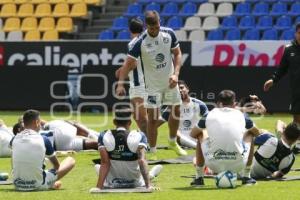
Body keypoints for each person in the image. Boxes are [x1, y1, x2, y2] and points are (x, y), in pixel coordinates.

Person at [116, 10, 186, 160]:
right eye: (152, 28)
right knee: (152, 120)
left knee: (177, 110)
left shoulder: (169, 34)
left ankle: (173, 141)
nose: (155, 30)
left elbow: (178, 53)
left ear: (160, 22)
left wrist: (176, 74)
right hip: (152, 87)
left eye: (157, 26)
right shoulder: (139, 42)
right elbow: (128, 65)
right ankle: (152, 151)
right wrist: (120, 84)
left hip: (170, 82)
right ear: (147, 26)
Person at [190, 90, 260, 186]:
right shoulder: (242, 115)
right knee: (250, 133)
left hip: (213, 164)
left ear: (219, 103)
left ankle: (199, 178)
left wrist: (210, 138)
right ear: (234, 103)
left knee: (200, 133)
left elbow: (193, 134)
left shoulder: (208, 114)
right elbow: (257, 132)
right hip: (238, 164)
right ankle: (247, 177)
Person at [91, 106, 162, 191]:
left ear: (114, 122)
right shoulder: (140, 135)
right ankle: (150, 176)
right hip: (136, 183)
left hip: (113, 183)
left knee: (97, 166)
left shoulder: (103, 135)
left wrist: (98, 187)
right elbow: (142, 161)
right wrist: (148, 186)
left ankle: (150, 176)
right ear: (130, 122)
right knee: (144, 173)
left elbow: (105, 163)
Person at [10, 110, 75, 191]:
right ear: (37, 122)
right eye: (40, 122)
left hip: (18, 185)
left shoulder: (13, 139)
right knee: (70, 160)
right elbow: (57, 166)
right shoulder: (44, 139)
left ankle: (48, 182)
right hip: (38, 185)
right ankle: (50, 183)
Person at [115, 18, 148, 134]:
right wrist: (124, 69)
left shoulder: (133, 43)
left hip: (139, 84)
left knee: (141, 118)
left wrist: (120, 83)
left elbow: (132, 63)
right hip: (142, 83)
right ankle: (147, 141)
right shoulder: (145, 41)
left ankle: (148, 143)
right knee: (138, 117)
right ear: (143, 28)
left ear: (129, 30)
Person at [264, 23, 300, 124]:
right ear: (295, 34)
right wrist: (273, 79)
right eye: (299, 33)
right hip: (297, 90)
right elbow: (282, 68)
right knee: (297, 119)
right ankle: (296, 138)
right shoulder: (289, 49)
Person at [157, 80, 208, 148]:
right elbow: (158, 122)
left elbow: (208, 118)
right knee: (174, 133)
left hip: (196, 135)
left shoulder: (199, 104)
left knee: (204, 131)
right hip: (180, 138)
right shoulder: (172, 107)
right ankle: (196, 146)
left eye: (182, 88)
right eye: (177, 89)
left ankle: (202, 146)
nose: (180, 90)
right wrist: (143, 129)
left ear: (187, 89)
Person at [13, 119, 98, 152]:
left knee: (94, 144)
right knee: (68, 122)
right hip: (58, 137)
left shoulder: (20, 142)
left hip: (59, 146)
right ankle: (92, 135)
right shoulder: (29, 133)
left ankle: (95, 137)